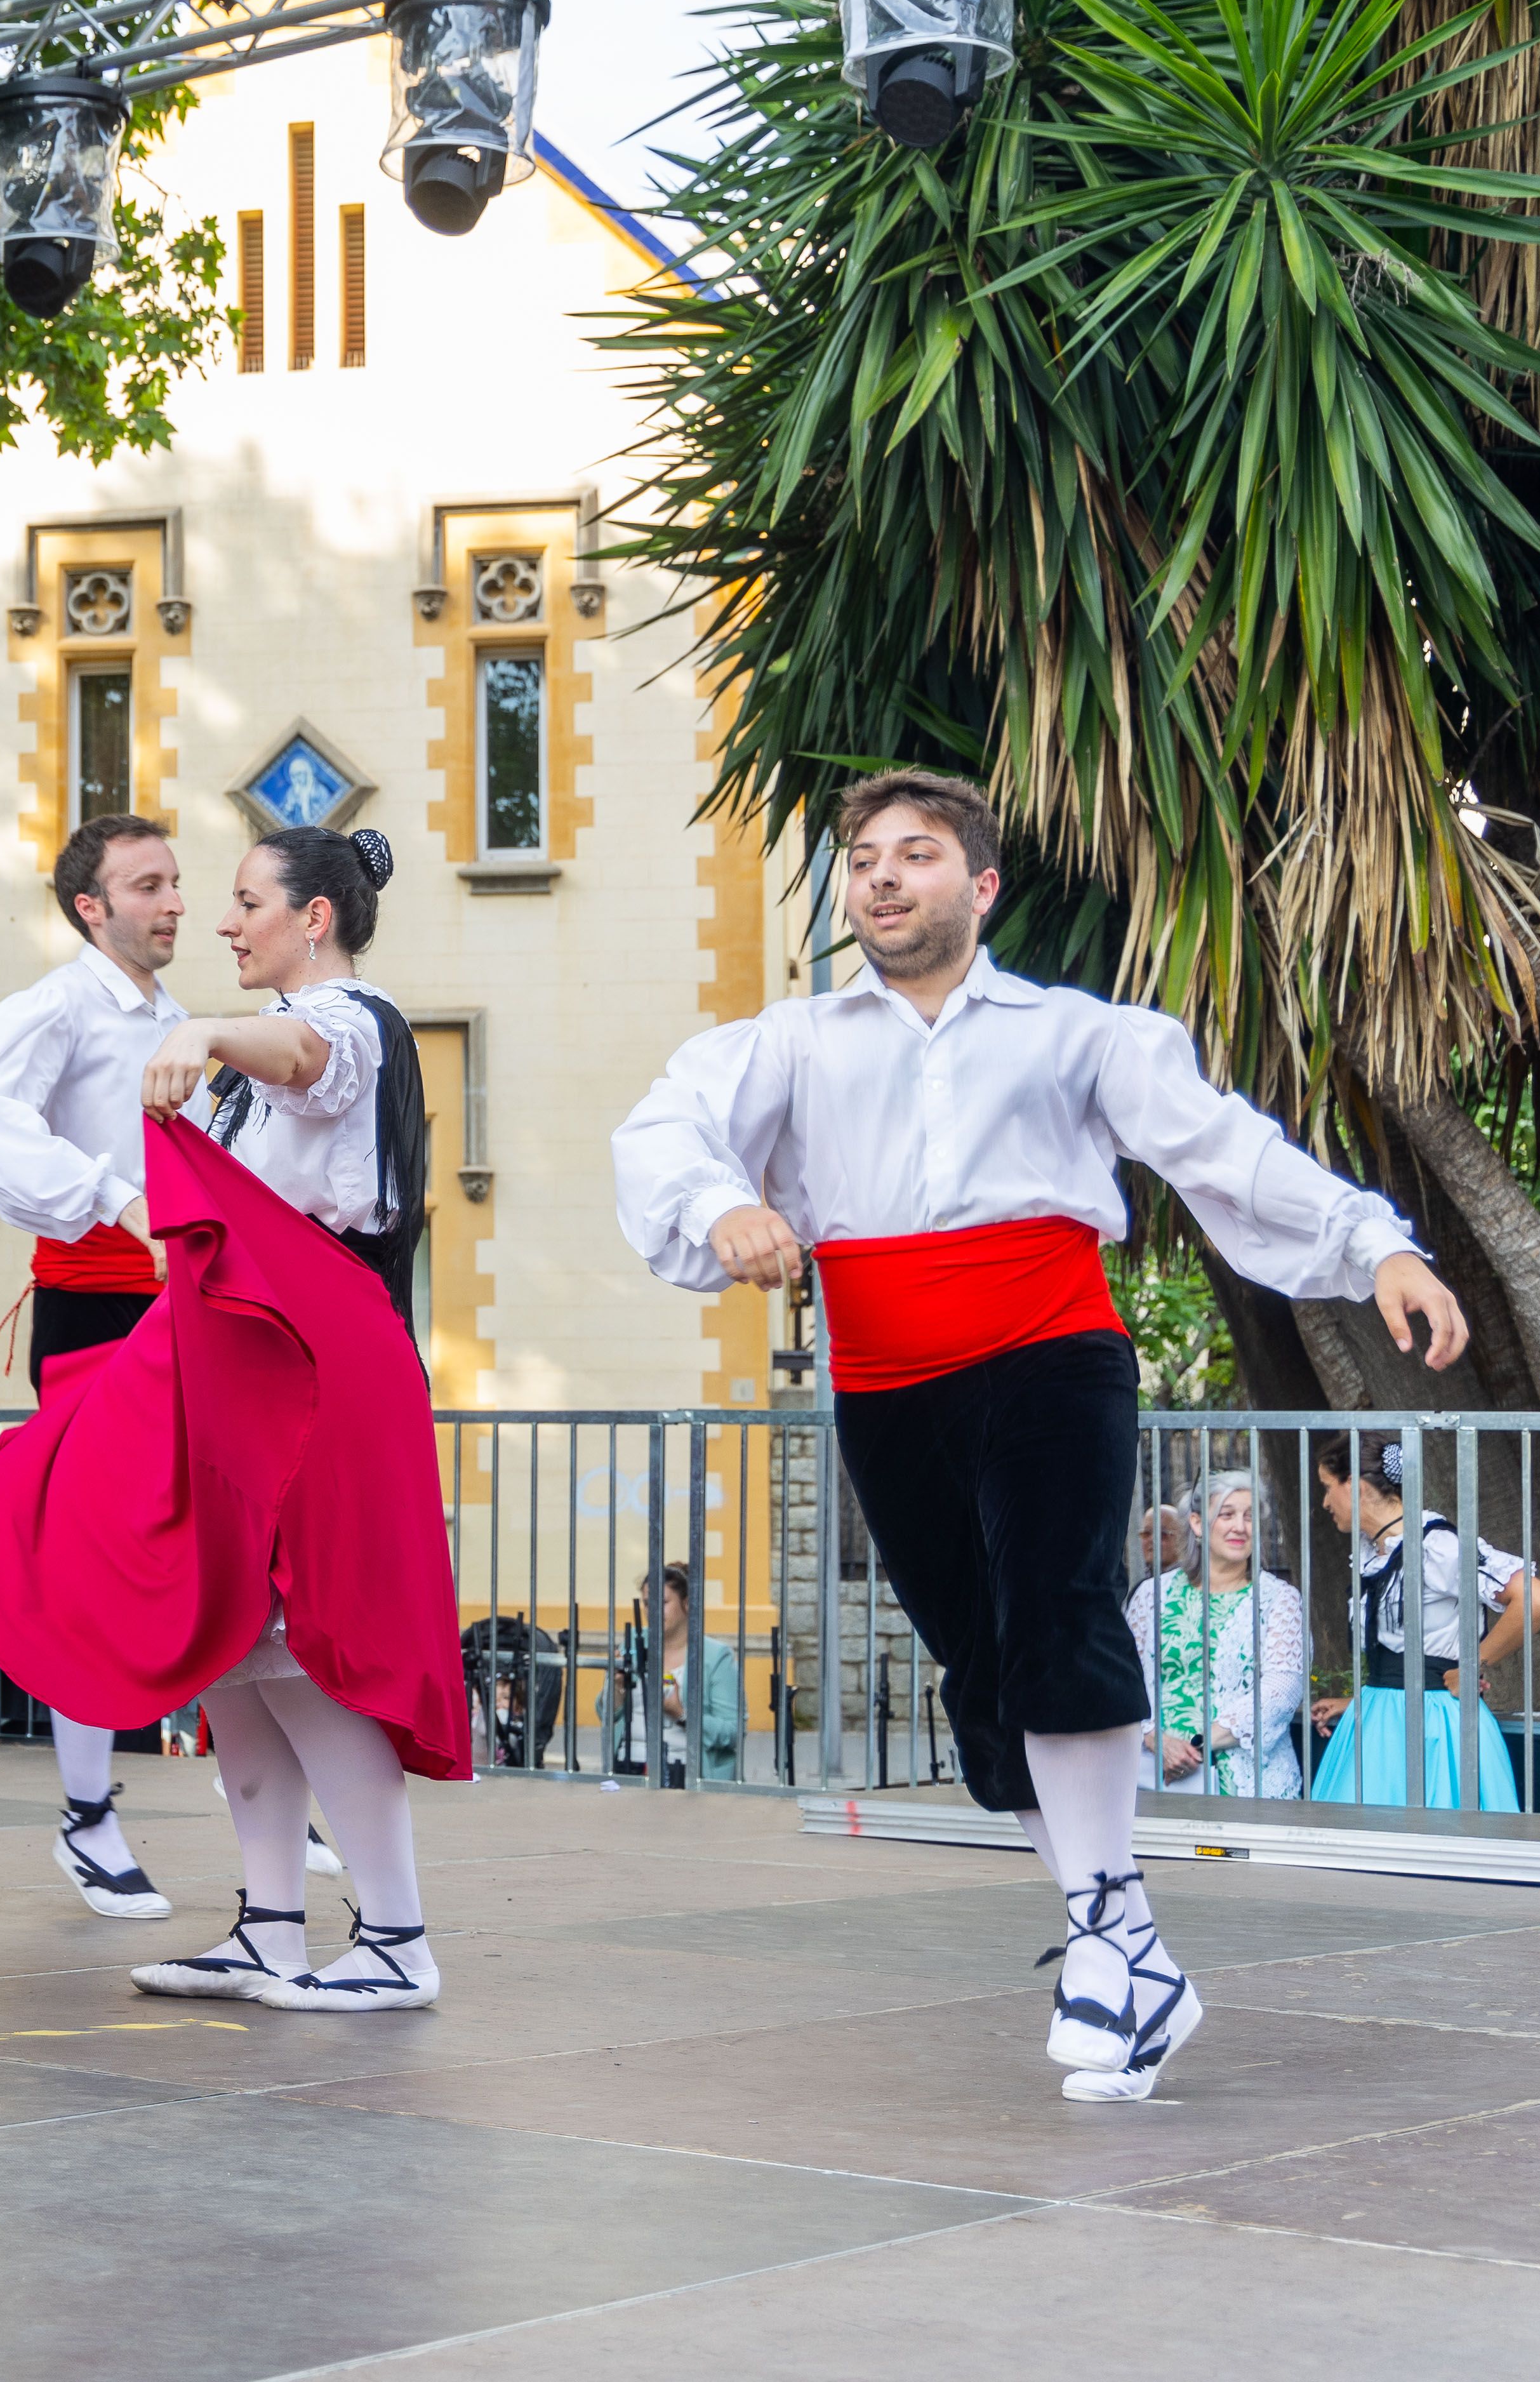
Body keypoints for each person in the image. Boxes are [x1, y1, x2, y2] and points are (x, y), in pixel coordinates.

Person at [610, 767, 1473, 2103]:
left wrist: (1379, 1247)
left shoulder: (1081, 1034)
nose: (885, 876)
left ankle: (1102, 1940)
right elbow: (665, 1126)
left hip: (1050, 1349)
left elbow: (1225, 1149)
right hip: (890, 1375)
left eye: (919, 852)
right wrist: (723, 1202)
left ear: (982, 884)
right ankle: (1126, 1946)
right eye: (868, 858)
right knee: (980, 1661)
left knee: (1059, 1605)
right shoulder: (791, 1041)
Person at [0, 825, 470, 2015]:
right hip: (242, 1350)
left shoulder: (350, 1021)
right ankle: (270, 1926)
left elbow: (300, 1054)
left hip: (311, 1353)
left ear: (316, 918)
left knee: (303, 1647)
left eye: (245, 901)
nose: (223, 921)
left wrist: (201, 1031)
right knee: (235, 1645)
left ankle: (395, 1937)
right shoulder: (255, 1049)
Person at [0, 813, 192, 1920]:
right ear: (92, 907)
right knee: (98, 1554)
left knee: (216, 1536)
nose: (175, 902)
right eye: (149, 885)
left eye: (177, 882)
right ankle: (87, 1817)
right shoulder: (50, 1010)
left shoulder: (181, 1019)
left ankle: (276, 1801)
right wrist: (115, 1198)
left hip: (184, 1298)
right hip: (96, 1298)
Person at [1306, 1439, 1540, 1813]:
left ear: (1356, 1486)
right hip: (1377, 1720)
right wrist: (1358, 1702)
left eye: (1328, 1487)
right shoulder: (1373, 1548)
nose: (1325, 1503)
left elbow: (1539, 1601)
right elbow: (1402, 1654)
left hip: (1434, 1727)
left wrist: (1473, 1665)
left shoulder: (1437, 1546)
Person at [1128, 1470, 1308, 1800]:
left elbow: (1282, 1690)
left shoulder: (1278, 1600)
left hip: (1248, 1785)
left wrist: (1195, 1746)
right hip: (1151, 1775)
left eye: (1250, 1517)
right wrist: (1155, 1738)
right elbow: (1125, 1680)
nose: (1240, 1526)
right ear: (1197, 1524)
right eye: (1227, 1515)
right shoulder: (1151, 1596)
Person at [602, 1562, 745, 1785]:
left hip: (687, 1773)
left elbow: (733, 1731)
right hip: (628, 1766)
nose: (653, 1611)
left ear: (687, 1604)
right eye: (648, 1604)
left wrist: (681, 1714)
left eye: (663, 1603)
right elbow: (606, 1714)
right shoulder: (632, 1643)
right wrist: (616, 1687)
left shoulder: (715, 1656)